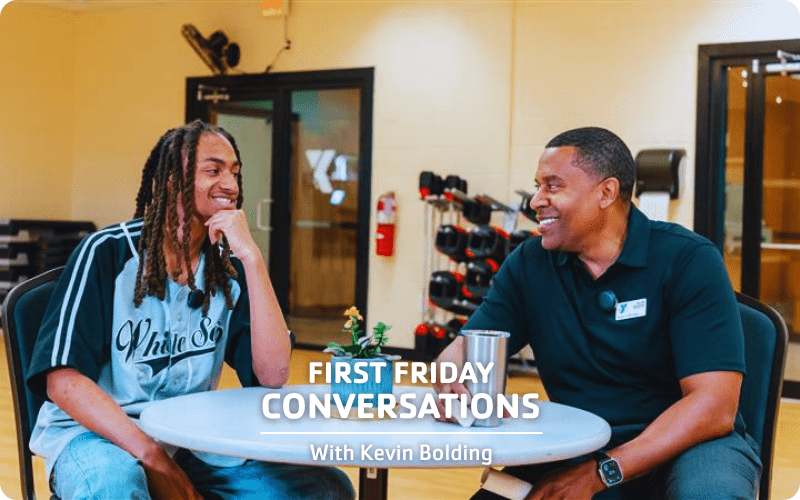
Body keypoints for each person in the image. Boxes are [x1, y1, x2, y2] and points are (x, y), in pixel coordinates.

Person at [27, 120, 355, 500]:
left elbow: (273, 374)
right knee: (115, 488)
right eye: (213, 171)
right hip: (97, 436)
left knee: (325, 488)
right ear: (173, 181)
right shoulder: (106, 252)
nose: (231, 185)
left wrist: (251, 257)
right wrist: (153, 457)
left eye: (234, 172)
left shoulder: (227, 267)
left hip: (185, 437)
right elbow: (63, 381)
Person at [434, 127, 761, 499]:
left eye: (553, 186)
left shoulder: (688, 259)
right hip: (582, 442)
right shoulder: (529, 264)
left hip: (690, 444)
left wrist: (601, 472)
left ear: (606, 193)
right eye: (538, 186)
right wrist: (452, 377)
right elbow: (462, 350)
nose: (536, 200)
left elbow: (713, 406)